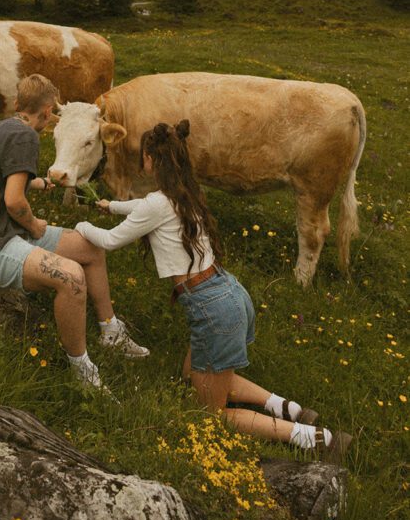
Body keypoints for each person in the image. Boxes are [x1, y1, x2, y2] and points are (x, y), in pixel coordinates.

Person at [74, 120, 352, 459]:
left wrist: (81, 225)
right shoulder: (183, 194)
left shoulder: (155, 205)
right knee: (193, 373)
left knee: (212, 414)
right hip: (228, 290)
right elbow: (142, 208)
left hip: (212, 310)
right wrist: (109, 206)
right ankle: (288, 408)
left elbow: (110, 240)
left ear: (149, 159)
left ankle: (315, 438)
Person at [0, 73, 149, 390]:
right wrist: (34, 225)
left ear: (18, 104)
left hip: (6, 232)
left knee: (90, 246)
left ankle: (110, 330)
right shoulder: (25, 137)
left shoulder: (7, 127)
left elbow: (10, 182)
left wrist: (38, 183)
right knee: (71, 277)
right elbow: (13, 200)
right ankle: (82, 370)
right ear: (48, 113)